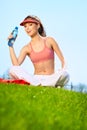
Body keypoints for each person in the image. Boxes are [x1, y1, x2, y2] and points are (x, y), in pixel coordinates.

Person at [7, 15, 70, 87]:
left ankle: (42, 85)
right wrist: (10, 45)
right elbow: (16, 65)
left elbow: (63, 60)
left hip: (51, 78)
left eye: (30, 25)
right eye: (25, 26)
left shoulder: (49, 40)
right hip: (35, 79)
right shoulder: (26, 48)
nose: (27, 28)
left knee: (66, 74)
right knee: (12, 69)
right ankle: (43, 85)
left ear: (38, 26)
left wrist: (62, 70)